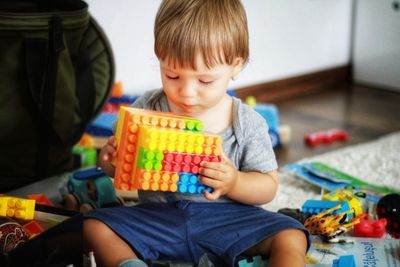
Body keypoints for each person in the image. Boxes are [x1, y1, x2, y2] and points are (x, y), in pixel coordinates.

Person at [83, 0, 310, 266]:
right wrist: (110, 160)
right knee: (93, 227)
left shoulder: (247, 122)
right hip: (159, 219)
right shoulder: (147, 107)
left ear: (235, 65)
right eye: (172, 76)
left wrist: (235, 182)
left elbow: (268, 186)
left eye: (205, 80)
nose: (187, 92)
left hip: (227, 221)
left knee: (291, 233)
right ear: (160, 56)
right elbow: (115, 167)